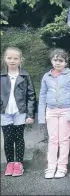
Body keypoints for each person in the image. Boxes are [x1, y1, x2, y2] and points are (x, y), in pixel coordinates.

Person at [38, 48, 70, 179]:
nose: (58, 63)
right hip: (51, 111)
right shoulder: (46, 76)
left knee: (64, 139)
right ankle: (51, 167)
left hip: (66, 110)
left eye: (61, 60)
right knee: (53, 139)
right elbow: (42, 95)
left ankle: (62, 167)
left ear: (66, 62)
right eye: (55, 60)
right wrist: (41, 116)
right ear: (51, 61)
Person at [1, 47, 36, 177]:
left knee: (19, 138)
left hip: (20, 112)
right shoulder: (1, 75)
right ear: (5, 59)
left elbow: (31, 95)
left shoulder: (25, 76)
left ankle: (19, 163)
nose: (12, 60)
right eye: (9, 58)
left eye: (15, 58)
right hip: (4, 112)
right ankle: (10, 163)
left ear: (21, 60)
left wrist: (30, 114)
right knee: (8, 139)